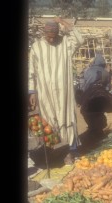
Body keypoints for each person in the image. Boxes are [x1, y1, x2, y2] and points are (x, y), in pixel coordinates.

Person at [28, 17, 84, 164]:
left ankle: (70, 152)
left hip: (64, 91)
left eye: (54, 36)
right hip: (45, 91)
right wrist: (32, 92)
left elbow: (80, 40)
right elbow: (31, 72)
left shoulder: (65, 43)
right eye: (48, 36)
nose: (51, 40)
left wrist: (65, 23)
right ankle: (54, 152)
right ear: (44, 33)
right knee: (49, 120)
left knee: (66, 117)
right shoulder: (36, 47)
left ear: (58, 33)